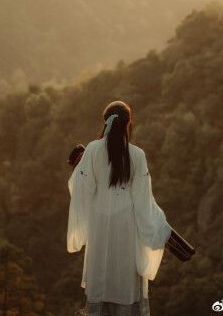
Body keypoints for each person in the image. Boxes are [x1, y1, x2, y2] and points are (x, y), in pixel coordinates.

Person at [67, 100, 173, 316]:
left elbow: (80, 188)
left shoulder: (93, 150)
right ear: (128, 123)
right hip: (127, 222)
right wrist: (157, 226)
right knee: (125, 270)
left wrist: (80, 169)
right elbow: (143, 199)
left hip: (99, 221)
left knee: (101, 269)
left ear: (105, 122)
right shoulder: (137, 155)